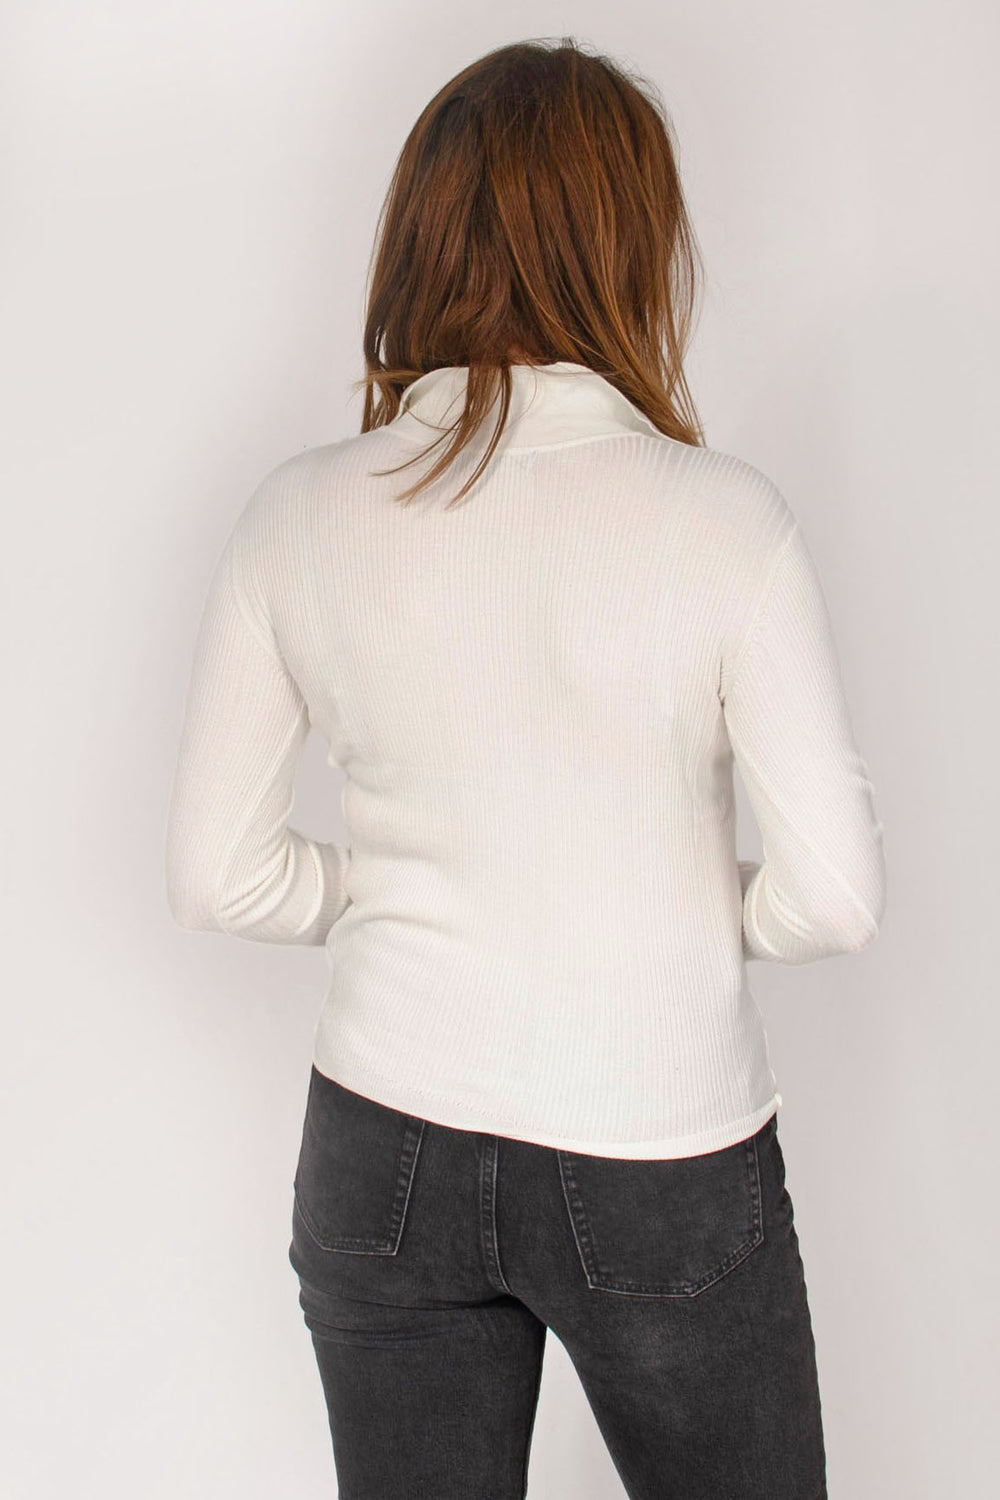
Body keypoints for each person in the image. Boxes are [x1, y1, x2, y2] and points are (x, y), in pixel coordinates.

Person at [164, 36, 886, 1500]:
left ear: (421, 231)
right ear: (634, 247)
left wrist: (402, 886)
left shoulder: (298, 513)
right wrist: (672, 898)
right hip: (658, 1146)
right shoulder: (725, 522)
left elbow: (217, 877)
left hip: (382, 1145)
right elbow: (834, 900)